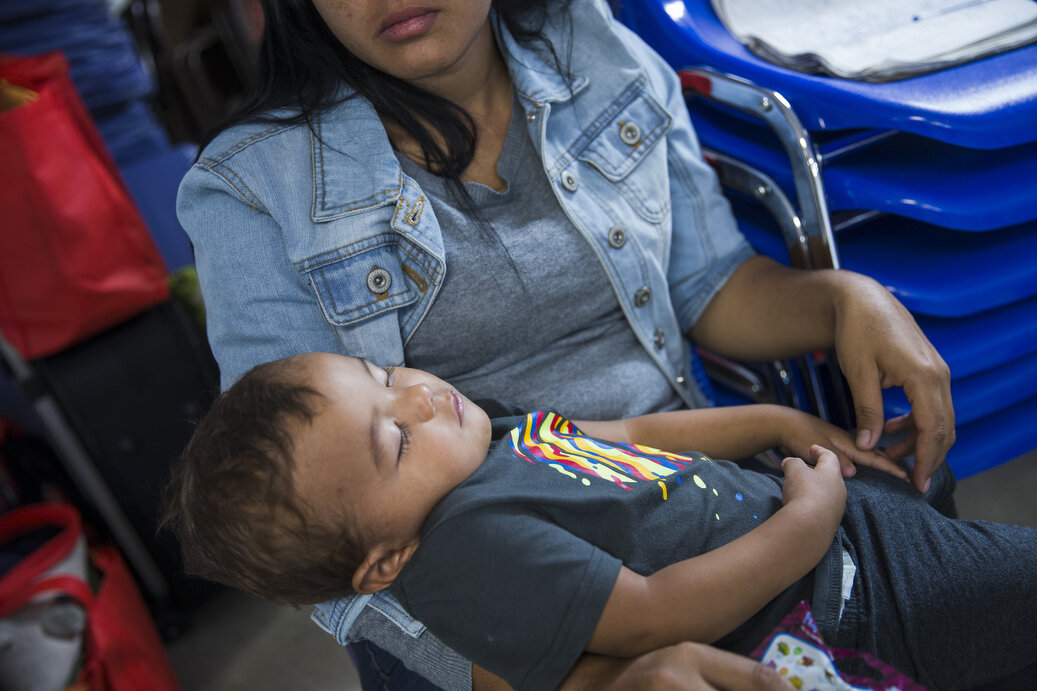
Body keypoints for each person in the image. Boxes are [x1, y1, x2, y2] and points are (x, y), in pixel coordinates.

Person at [176, 0, 956, 686]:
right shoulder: (252, 188)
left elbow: (706, 287)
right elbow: (322, 555)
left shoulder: (583, 40)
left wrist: (849, 299)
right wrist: (589, 678)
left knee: (926, 556)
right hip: (486, 620)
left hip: (671, 482)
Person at [163, 352, 1036, 691]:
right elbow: (656, 610)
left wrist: (774, 422)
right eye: (394, 433)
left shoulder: (488, 437)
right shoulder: (464, 549)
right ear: (382, 561)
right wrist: (810, 518)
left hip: (814, 527)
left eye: (380, 370)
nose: (421, 395)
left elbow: (641, 435)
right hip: (827, 597)